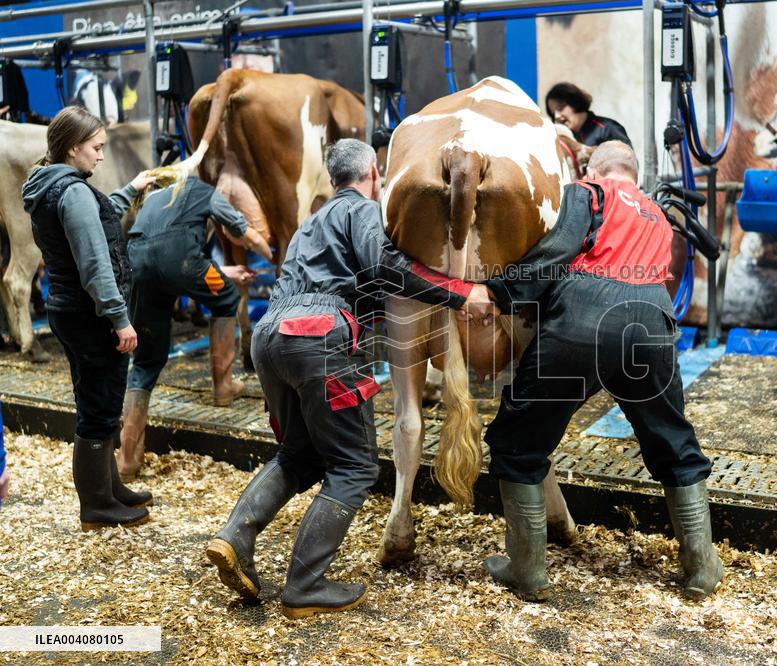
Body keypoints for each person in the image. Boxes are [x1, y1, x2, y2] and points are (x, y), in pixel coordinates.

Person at [206, 138, 496, 619]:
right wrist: (460, 293)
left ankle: (234, 537)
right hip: (318, 336)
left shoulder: (310, 223)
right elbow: (387, 268)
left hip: (269, 335)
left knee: (299, 454)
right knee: (355, 466)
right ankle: (304, 584)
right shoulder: (361, 212)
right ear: (373, 175)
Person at [478, 141, 723, 601]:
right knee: (674, 441)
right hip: (652, 317)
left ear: (595, 168)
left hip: (585, 315)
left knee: (518, 441)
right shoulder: (656, 213)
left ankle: (527, 571)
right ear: (633, 171)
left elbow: (559, 248)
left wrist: (498, 292)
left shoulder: (588, 192)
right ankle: (702, 567)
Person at [21, 105, 156, 531]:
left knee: (93, 401)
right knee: (99, 408)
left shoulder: (52, 184)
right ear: (73, 147)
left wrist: (131, 189)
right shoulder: (74, 192)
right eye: (96, 147)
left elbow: (96, 220)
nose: (101, 155)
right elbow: (95, 262)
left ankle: (110, 487)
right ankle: (97, 505)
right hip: (91, 315)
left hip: (68, 310)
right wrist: (119, 318)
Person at [116, 175, 273, 482]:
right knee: (227, 298)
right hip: (185, 265)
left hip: (140, 267)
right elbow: (247, 237)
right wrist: (276, 259)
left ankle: (127, 461)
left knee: (146, 361)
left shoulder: (152, 199)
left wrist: (223, 271)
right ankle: (223, 386)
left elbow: (166, 255)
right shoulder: (204, 191)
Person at [544, 82, 632, 147]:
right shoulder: (561, 137)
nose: (557, 116)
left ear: (575, 103)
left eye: (560, 108)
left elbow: (628, 163)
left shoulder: (607, 129)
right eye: (553, 113)